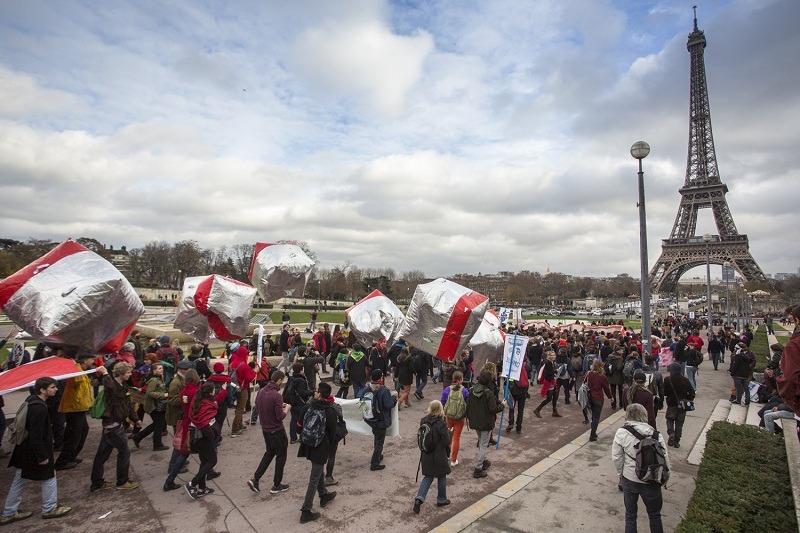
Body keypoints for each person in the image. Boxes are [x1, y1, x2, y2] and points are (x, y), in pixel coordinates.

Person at [0, 377, 71, 525]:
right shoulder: (40, 408)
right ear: (42, 390)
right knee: (49, 477)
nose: (56, 389)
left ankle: (9, 512)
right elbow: (36, 434)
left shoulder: (31, 400)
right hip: (35, 449)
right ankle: (49, 508)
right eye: (52, 387)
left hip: (25, 449)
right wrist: (42, 456)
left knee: (20, 480)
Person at [612, 404, 670, 533]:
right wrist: (665, 478)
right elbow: (664, 458)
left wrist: (619, 474)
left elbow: (616, 457)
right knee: (655, 515)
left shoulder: (622, 432)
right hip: (652, 478)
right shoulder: (655, 434)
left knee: (630, 516)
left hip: (630, 477)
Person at [90, 362, 141, 492]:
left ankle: (97, 483)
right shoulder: (112, 386)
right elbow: (109, 387)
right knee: (124, 452)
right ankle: (122, 481)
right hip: (113, 425)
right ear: (121, 373)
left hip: (112, 426)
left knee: (101, 455)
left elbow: (128, 405)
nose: (130, 375)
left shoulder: (123, 386)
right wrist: (105, 373)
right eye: (128, 372)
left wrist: (135, 419)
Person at [55, 353, 105, 470]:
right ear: (86, 360)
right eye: (92, 359)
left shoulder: (82, 370)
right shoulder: (76, 370)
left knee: (83, 430)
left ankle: (72, 455)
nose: (94, 361)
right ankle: (62, 462)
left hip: (80, 407)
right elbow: (76, 380)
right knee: (73, 435)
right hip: (74, 408)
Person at [297, 382, 338, 524]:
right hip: (321, 447)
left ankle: (323, 494)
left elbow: (298, 428)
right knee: (314, 476)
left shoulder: (308, 407)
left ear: (319, 394)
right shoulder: (331, 411)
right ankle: (306, 510)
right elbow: (333, 435)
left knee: (318, 471)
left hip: (307, 446)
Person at [247, 370, 291, 494]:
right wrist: (286, 409)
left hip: (266, 429)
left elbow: (259, 405)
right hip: (276, 430)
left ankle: (256, 478)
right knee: (281, 456)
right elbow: (280, 416)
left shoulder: (261, 392)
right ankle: (276, 484)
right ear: (279, 381)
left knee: (269, 453)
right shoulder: (276, 395)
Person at [413, 400, 452, 514]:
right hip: (439, 455)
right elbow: (446, 441)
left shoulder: (423, 421)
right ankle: (441, 499)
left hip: (426, 454)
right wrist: (449, 433)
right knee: (442, 476)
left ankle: (419, 498)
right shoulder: (441, 424)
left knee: (428, 477)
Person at [466, 369, 506, 479]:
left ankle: (482, 461)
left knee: (481, 443)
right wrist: (502, 405)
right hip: (486, 422)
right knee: (483, 445)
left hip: (475, 421)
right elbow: (493, 409)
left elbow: (468, 405)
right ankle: (478, 468)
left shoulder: (472, 389)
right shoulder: (488, 392)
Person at [185, 383, 221, 499]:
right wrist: (212, 436)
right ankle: (192, 484)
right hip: (203, 438)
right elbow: (204, 424)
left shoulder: (198, 401)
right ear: (211, 392)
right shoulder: (205, 406)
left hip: (197, 436)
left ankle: (202, 488)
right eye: (214, 390)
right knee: (212, 460)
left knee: (204, 461)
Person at [366, 369, 398, 471]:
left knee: (377, 438)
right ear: (381, 378)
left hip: (371, 419)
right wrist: (394, 397)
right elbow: (388, 405)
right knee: (380, 442)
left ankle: (378, 456)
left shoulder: (368, 388)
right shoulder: (383, 390)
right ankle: (374, 463)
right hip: (381, 420)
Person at [133, 362, 170, 451]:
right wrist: (164, 395)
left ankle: (138, 437)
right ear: (154, 371)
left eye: (162, 368)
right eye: (159, 369)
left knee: (157, 424)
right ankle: (157, 444)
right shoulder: (154, 380)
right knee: (158, 425)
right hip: (154, 406)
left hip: (158, 405)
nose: (161, 370)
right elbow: (149, 393)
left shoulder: (160, 379)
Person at [777, 305, 800, 424]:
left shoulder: (794, 345)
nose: (789, 317)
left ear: (797, 321)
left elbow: (790, 378)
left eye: (792, 316)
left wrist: (793, 404)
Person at [664, 362, 695, 448]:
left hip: (671, 404)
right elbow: (692, 393)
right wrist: (688, 399)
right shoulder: (685, 380)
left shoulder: (667, 379)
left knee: (669, 419)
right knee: (679, 423)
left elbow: (665, 392)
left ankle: (671, 433)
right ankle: (677, 441)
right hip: (683, 405)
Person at [441, 370, 469, 466]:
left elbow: (443, 401)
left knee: (449, 435)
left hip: (448, 416)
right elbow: (468, 403)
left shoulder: (447, 389)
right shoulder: (464, 391)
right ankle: (453, 460)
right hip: (459, 418)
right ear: (461, 380)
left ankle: (446, 455)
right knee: (456, 438)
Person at [284, 363, 313, 444]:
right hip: (301, 403)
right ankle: (302, 436)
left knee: (293, 420)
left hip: (292, 402)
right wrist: (312, 392)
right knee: (303, 420)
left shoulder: (291, 378)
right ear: (301, 370)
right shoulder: (301, 380)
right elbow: (303, 392)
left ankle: (293, 437)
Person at [584, 360, 612, 441]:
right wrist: (610, 397)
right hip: (598, 398)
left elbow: (584, 382)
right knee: (596, 417)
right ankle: (592, 434)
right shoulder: (602, 377)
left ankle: (593, 432)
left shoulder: (589, 374)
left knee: (592, 416)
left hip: (589, 397)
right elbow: (606, 388)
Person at [506, 358, 530, 434]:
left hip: (514, 392)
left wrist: (510, 389)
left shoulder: (511, 367)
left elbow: (509, 380)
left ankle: (511, 423)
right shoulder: (526, 365)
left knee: (511, 407)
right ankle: (519, 427)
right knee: (521, 410)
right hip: (523, 391)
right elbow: (528, 376)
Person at [533, 350, 560, 418]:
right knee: (549, 398)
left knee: (555, 396)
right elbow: (547, 374)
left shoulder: (551, 362)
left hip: (552, 381)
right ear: (549, 356)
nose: (553, 356)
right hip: (549, 382)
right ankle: (537, 409)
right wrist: (555, 371)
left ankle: (554, 411)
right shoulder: (548, 363)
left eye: (554, 355)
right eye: (551, 355)